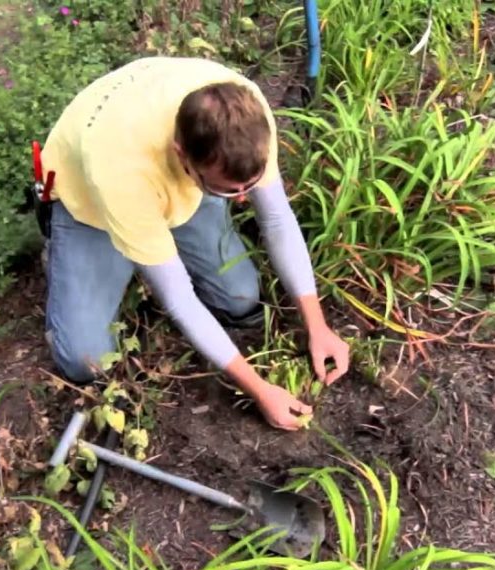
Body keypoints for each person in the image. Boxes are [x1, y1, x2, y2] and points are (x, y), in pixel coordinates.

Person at [38, 56, 349, 431]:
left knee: (241, 299)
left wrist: (317, 325)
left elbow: (277, 218)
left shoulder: (246, 114)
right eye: (228, 189)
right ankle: (74, 253)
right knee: (83, 358)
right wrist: (260, 390)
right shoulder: (120, 172)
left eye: (247, 188)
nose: (240, 201)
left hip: (178, 181)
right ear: (182, 155)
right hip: (91, 205)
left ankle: (166, 229)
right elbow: (180, 300)